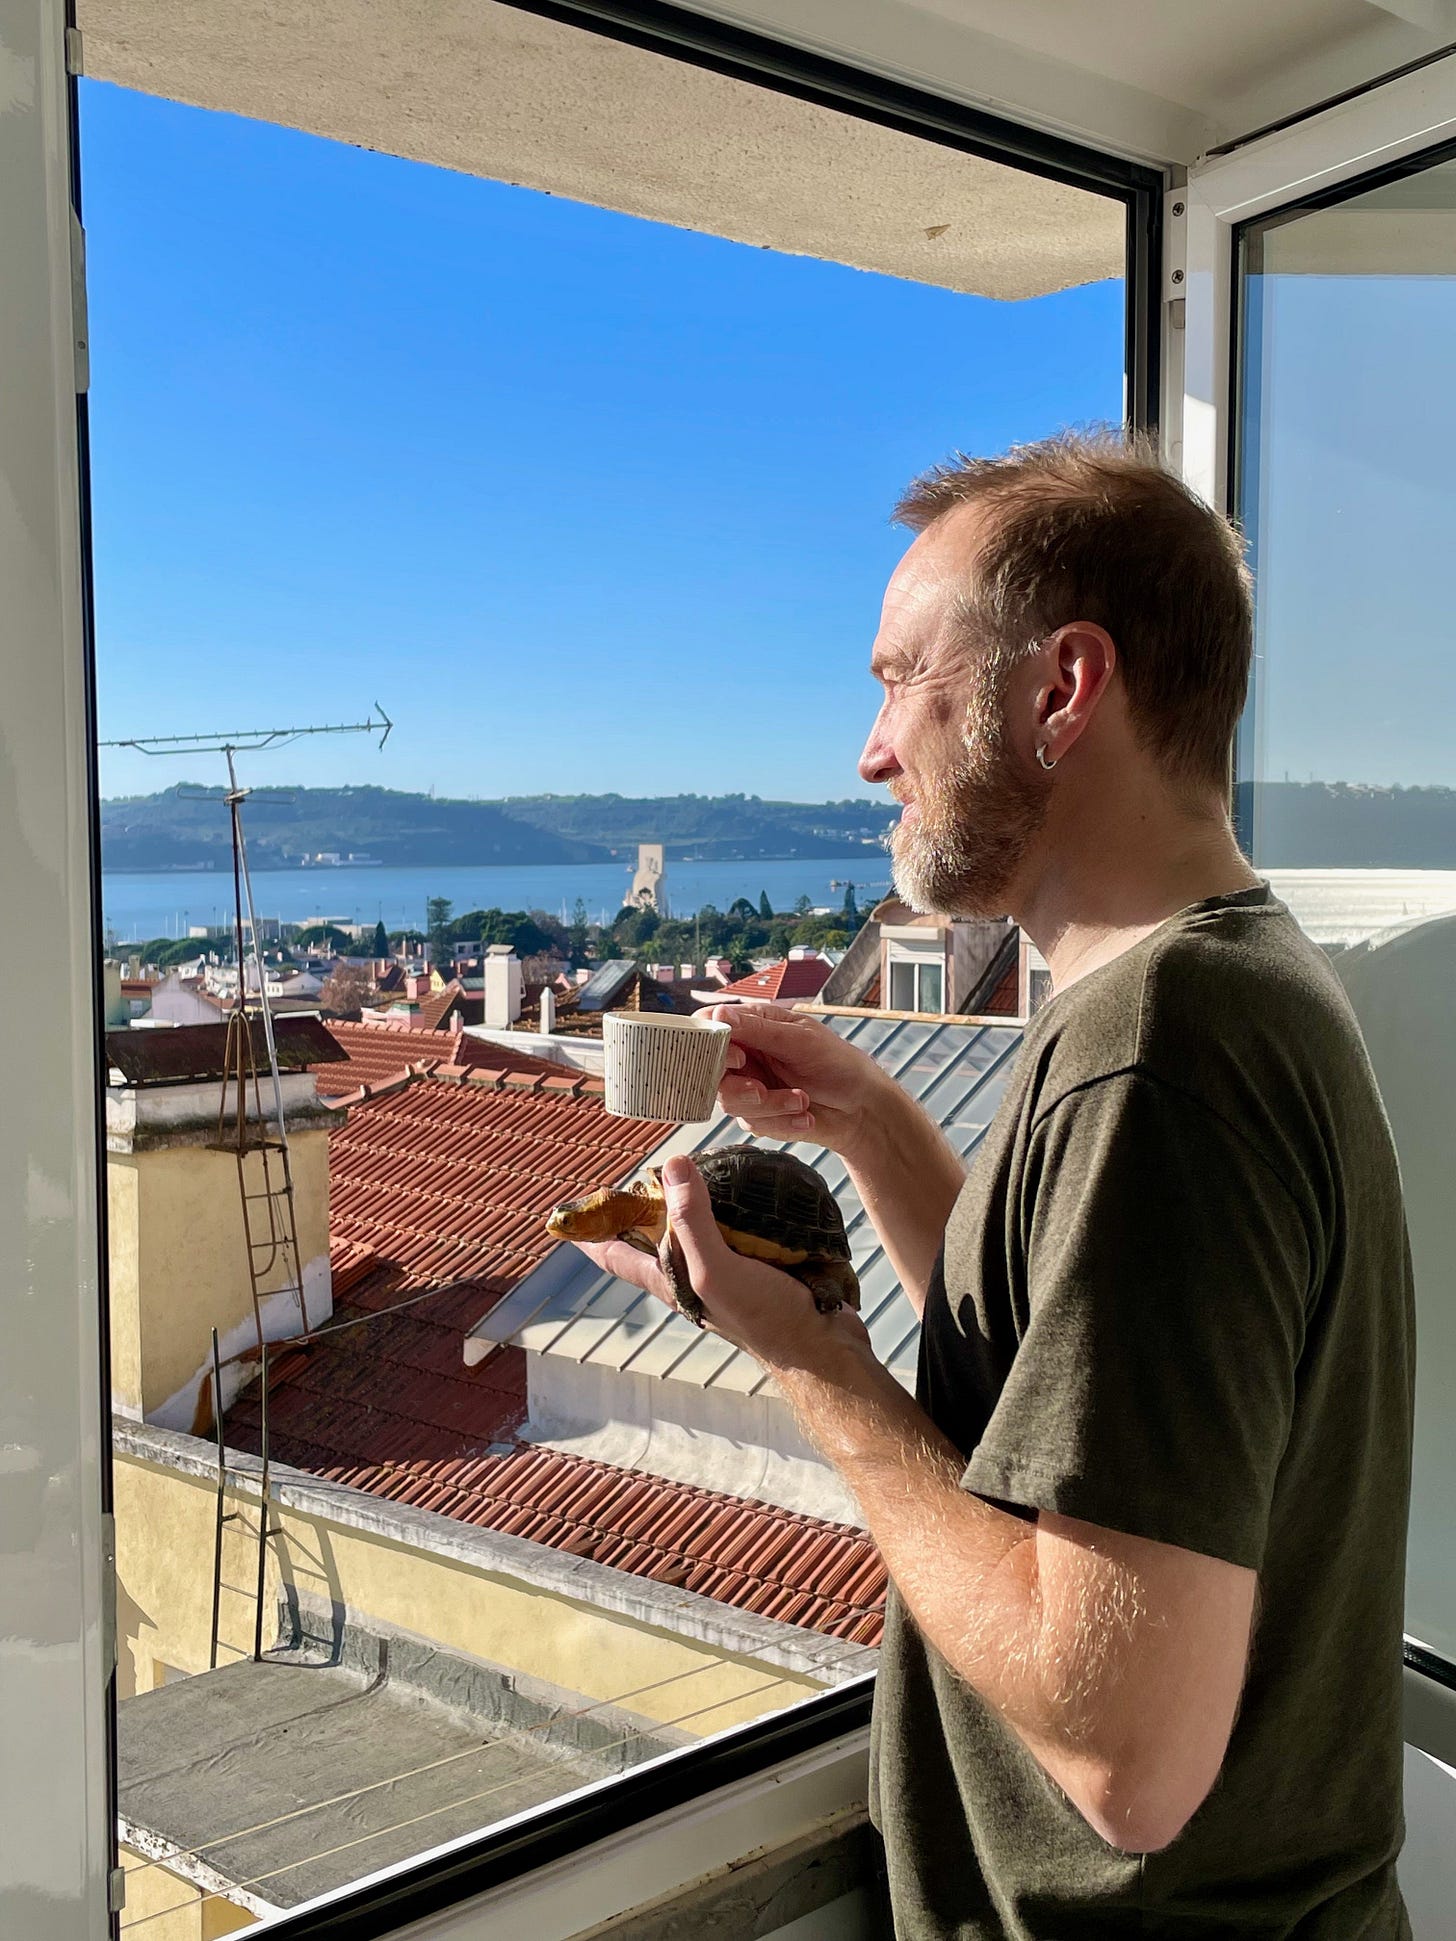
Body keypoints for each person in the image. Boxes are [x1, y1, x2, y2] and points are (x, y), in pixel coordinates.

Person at [572, 432, 1415, 1939]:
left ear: (1061, 689)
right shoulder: (1204, 983)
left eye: (903, 676)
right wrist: (878, 1125)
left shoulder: (1165, 1051)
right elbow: (1065, 1363)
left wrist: (812, 1365)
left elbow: (1124, 1753)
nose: (871, 747)